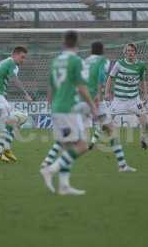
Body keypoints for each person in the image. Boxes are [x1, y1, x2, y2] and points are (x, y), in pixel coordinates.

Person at [41, 41, 136, 172]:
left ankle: (48, 160)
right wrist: (98, 94)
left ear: (91, 51)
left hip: (80, 99)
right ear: (102, 51)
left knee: (72, 134)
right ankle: (122, 165)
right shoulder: (103, 61)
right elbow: (101, 76)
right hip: (95, 101)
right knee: (111, 130)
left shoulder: (85, 61)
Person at [39, 30, 97, 196]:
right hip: (69, 108)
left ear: (64, 42)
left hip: (57, 108)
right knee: (83, 145)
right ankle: (50, 170)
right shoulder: (76, 60)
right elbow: (81, 87)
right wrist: (92, 105)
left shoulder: (56, 61)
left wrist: (50, 104)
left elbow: (50, 86)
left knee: (67, 147)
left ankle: (64, 186)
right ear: (78, 43)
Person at [0, 46, 33, 163]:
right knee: (11, 121)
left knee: (21, 118)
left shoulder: (1, 62)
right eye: (22, 57)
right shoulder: (11, 63)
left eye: (24, 58)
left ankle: (6, 149)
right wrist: (25, 94)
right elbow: (14, 79)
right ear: (14, 54)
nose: (23, 60)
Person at [105, 43, 148, 149]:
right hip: (119, 99)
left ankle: (143, 137)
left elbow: (142, 80)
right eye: (128, 51)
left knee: (145, 121)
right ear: (125, 52)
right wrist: (107, 92)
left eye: (132, 51)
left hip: (134, 99)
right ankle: (110, 140)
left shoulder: (141, 65)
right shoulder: (119, 64)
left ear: (135, 52)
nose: (130, 53)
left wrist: (145, 93)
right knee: (107, 122)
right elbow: (110, 78)